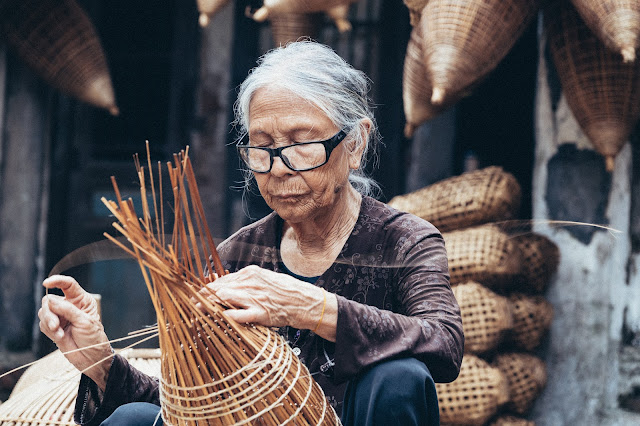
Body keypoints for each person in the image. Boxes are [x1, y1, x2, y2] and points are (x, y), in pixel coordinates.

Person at [39, 41, 464, 426]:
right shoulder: (238, 256)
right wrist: (99, 361)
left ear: (354, 144)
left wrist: (314, 308)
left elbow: (443, 344)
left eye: (301, 144)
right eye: (262, 147)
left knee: (399, 377)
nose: (278, 167)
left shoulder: (405, 240)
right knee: (133, 419)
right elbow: (187, 401)